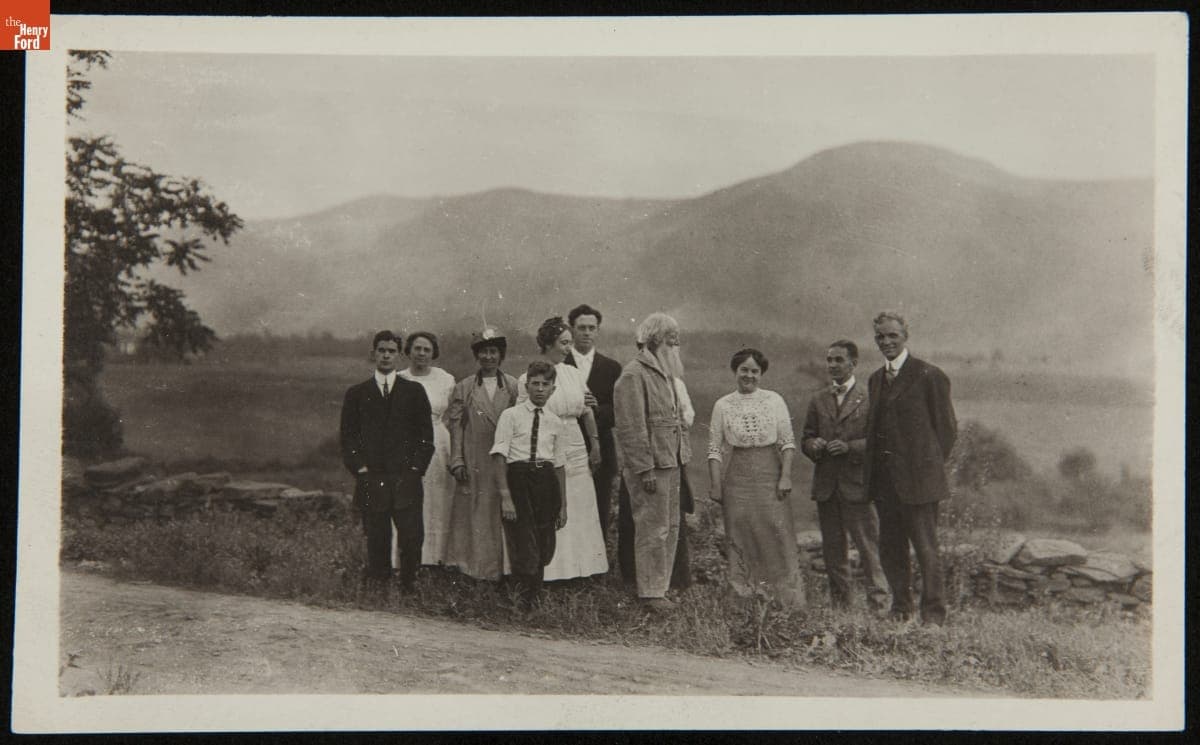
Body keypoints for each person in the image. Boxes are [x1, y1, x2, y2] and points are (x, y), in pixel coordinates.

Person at [863, 311, 957, 625]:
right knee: (891, 548)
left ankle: (933, 615)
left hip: (920, 481)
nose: (886, 342)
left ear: (906, 336)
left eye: (893, 336)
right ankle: (900, 609)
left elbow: (946, 431)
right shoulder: (875, 379)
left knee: (926, 548)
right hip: (885, 483)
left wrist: (924, 467)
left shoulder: (929, 375)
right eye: (881, 337)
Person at [707, 348, 804, 609]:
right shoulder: (723, 405)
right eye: (744, 370)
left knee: (776, 535)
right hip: (737, 479)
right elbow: (715, 449)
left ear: (761, 374)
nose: (749, 375)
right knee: (739, 535)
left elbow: (787, 443)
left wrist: (785, 476)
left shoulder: (774, 400)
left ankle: (785, 602)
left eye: (754, 371)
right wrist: (716, 485)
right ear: (735, 371)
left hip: (769, 474)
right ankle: (743, 602)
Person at [339, 330, 435, 593]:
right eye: (381, 350)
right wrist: (361, 469)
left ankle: (409, 590)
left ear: (398, 355)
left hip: (406, 478)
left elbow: (426, 437)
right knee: (377, 538)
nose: (386, 355)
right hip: (373, 478)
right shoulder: (357, 393)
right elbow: (348, 438)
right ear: (373, 353)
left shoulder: (414, 392)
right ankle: (378, 591)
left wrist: (416, 469)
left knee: (411, 538)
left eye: (391, 351)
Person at [514, 317, 607, 580]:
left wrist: (596, 444)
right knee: (554, 504)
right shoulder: (530, 378)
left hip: (577, 445)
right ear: (547, 344)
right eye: (564, 343)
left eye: (570, 343)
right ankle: (552, 573)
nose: (569, 348)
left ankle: (583, 570)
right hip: (548, 446)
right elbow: (524, 415)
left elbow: (587, 410)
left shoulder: (574, 374)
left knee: (580, 505)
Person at [801, 340, 889, 611]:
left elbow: (881, 441)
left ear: (854, 363)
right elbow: (806, 437)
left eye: (839, 360)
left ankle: (880, 606)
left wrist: (850, 447)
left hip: (858, 487)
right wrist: (813, 445)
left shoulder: (870, 397)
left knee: (869, 548)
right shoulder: (818, 399)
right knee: (833, 551)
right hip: (827, 487)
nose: (832, 366)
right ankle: (842, 608)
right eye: (829, 360)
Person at [613, 313, 691, 613]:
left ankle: (660, 587)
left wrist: (682, 456)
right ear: (656, 340)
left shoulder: (665, 372)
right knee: (652, 529)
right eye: (673, 338)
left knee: (669, 527)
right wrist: (644, 469)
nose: (677, 343)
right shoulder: (633, 375)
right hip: (650, 467)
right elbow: (631, 428)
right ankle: (649, 593)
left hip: (671, 461)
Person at [490, 361, 569, 606]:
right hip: (519, 480)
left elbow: (559, 465)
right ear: (527, 386)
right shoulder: (511, 416)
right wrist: (505, 496)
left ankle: (533, 595)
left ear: (553, 390)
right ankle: (526, 600)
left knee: (545, 542)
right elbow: (499, 456)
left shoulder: (555, 422)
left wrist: (563, 505)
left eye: (546, 385)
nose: (540, 389)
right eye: (535, 384)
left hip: (545, 482)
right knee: (524, 540)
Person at [444, 327, 520, 581]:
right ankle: (473, 571)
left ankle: (505, 571)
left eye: (493, 352)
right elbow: (455, 427)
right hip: (474, 458)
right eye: (484, 352)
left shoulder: (512, 386)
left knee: (502, 512)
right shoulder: (464, 387)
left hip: (504, 461)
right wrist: (456, 460)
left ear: (501, 355)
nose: (489, 357)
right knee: (474, 515)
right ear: (477, 356)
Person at [397, 331, 457, 568]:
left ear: (433, 353)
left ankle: (436, 559)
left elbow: (454, 413)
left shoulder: (445, 379)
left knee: (438, 499)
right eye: (417, 348)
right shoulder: (399, 378)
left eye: (427, 350)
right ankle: (405, 559)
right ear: (409, 351)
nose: (421, 353)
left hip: (438, 442)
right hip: (405, 444)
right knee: (408, 499)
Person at [564, 304, 623, 541]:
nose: (586, 333)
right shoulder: (559, 364)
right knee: (567, 505)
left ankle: (598, 568)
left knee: (599, 505)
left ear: (598, 331)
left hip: (602, 448)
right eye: (581, 328)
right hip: (566, 445)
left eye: (592, 328)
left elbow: (620, 412)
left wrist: (596, 407)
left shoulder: (611, 367)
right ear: (571, 329)